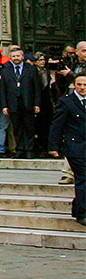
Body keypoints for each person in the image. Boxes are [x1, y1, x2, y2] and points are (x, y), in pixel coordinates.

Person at [47, 73, 86, 226]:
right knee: (83, 178)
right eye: (79, 85)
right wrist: (53, 146)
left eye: (85, 85)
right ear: (74, 85)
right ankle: (82, 213)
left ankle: (78, 207)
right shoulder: (67, 102)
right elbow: (57, 125)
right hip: (75, 147)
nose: (82, 88)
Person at [0, 45, 42, 158]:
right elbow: (3, 89)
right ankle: (19, 149)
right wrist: (4, 105)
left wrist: (37, 103)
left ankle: (29, 150)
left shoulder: (31, 69)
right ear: (10, 57)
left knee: (29, 128)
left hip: (28, 102)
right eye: (13, 56)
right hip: (13, 103)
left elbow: (37, 88)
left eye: (18, 56)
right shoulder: (5, 69)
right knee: (16, 128)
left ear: (22, 56)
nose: (16, 58)